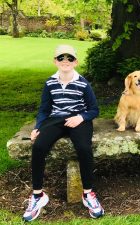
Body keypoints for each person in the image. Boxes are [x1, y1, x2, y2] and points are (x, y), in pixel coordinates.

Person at [23, 45, 104, 221]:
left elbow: (94, 110)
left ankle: (88, 193)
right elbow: (44, 109)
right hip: (56, 120)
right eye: (61, 58)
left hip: (78, 120)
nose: (65, 61)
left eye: (69, 58)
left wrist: (81, 117)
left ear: (75, 62)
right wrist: (38, 127)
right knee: (39, 146)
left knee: (83, 147)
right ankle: (38, 195)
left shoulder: (83, 83)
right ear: (55, 61)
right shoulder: (50, 82)